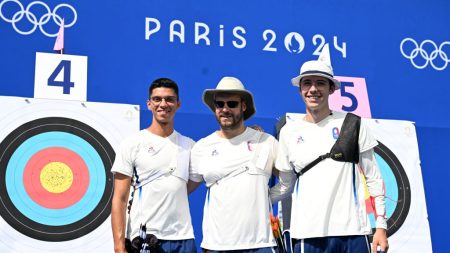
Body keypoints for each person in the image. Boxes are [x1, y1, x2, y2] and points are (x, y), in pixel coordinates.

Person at [275, 46, 389, 253]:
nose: (313, 89)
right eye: (307, 83)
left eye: (320, 83)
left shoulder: (353, 123)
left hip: (353, 232)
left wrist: (381, 225)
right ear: (300, 88)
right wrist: (253, 200)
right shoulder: (288, 132)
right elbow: (285, 186)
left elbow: (374, 178)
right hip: (307, 234)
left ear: (331, 89)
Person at [188, 76, 288, 253]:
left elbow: (288, 180)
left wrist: (266, 198)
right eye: (220, 104)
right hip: (216, 246)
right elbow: (184, 189)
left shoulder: (266, 142)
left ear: (243, 106)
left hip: (261, 245)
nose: (225, 109)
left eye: (232, 104)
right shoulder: (202, 147)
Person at [111, 78, 197, 253]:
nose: (163, 104)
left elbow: (190, 184)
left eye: (169, 99)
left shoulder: (190, 146)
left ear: (178, 104)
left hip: (183, 240)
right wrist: (119, 247)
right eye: (157, 99)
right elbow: (119, 199)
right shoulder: (132, 144)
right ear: (149, 104)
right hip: (145, 238)